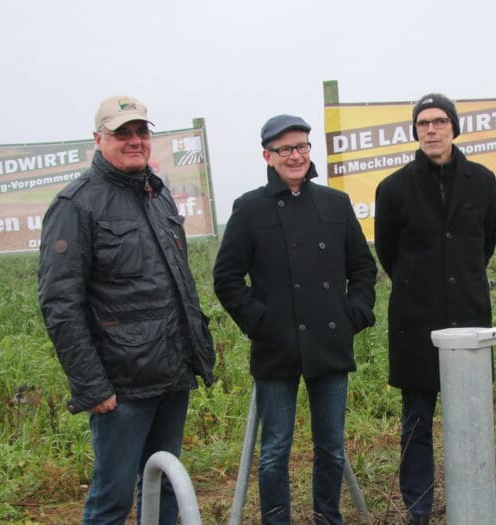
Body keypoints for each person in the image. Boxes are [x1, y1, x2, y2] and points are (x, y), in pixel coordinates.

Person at [37, 95, 215, 525]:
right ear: (99, 139)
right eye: (122, 133)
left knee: (164, 491)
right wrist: (92, 386)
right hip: (122, 388)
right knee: (112, 502)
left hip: (172, 375)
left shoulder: (157, 194)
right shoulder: (75, 205)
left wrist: (193, 355)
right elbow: (60, 305)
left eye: (141, 132)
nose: (135, 141)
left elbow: (176, 285)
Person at [213, 114, 377, 524]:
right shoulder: (249, 209)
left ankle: (328, 518)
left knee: (332, 448)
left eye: (302, 146)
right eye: (285, 149)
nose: (295, 155)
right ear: (268, 155)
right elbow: (227, 277)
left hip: (329, 342)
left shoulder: (334, 204)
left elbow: (363, 269)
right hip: (276, 347)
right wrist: (261, 323)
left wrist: (352, 315)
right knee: (274, 452)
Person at [374, 93, 496, 524]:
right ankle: (418, 508)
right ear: (415, 131)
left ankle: (474, 501)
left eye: (439, 121)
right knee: (416, 421)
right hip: (416, 322)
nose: (430, 129)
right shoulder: (393, 189)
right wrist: (423, 284)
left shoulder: (482, 182)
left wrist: (458, 280)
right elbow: (389, 253)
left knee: (472, 417)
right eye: (423, 123)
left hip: (468, 316)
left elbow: (487, 240)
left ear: (454, 127)